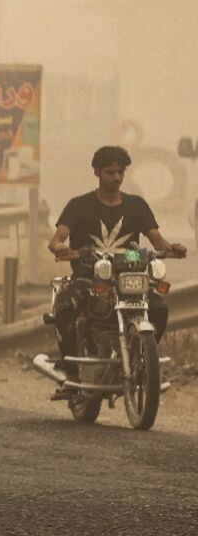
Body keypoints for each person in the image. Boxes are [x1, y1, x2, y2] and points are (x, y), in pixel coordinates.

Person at [46, 145, 187, 395]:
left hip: (129, 278)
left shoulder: (137, 205)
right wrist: (59, 247)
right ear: (97, 172)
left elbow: (157, 240)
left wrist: (170, 248)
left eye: (120, 172)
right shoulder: (79, 205)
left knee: (159, 309)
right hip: (89, 278)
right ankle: (70, 370)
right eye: (110, 172)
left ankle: (144, 360)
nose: (117, 177)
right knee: (65, 307)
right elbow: (57, 238)